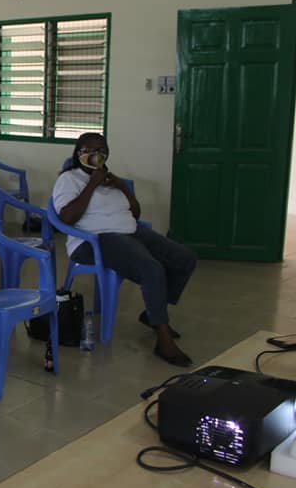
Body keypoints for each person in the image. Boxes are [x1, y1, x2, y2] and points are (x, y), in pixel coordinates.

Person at [52, 132, 197, 367]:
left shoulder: (110, 179)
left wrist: (120, 185)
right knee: (151, 269)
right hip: (94, 240)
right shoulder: (69, 179)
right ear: (78, 153)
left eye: (101, 150)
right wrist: (92, 185)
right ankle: (163, 338)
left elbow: (135, 213)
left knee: (184, 258)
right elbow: (67, 218)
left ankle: (153, 314)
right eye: (90, 150)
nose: (96, 155)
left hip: (130, 230)